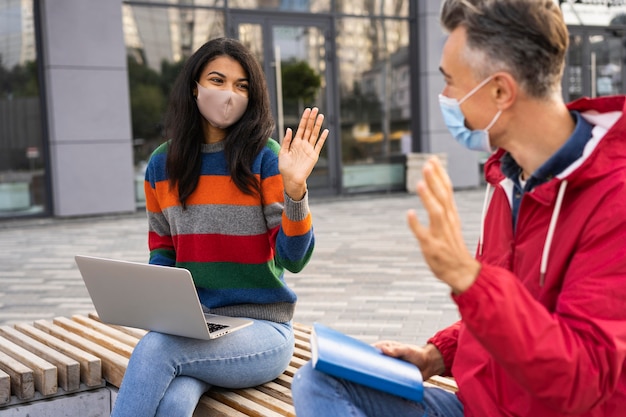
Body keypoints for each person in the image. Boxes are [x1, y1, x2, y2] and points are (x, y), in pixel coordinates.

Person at [291, 0, 626, 416]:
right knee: (320, 380)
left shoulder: (614, 197)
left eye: (451, 81)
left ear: (501, 91)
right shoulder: (508, 178)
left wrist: (469, 278)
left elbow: (583, 381)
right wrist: (436, 353)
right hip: (477, 404)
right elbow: (507, 314)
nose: (446, 97)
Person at [110, 37, 328, 417]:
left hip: (262, 330)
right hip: (196, 329)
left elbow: (293, 260)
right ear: (195, 86)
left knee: (156, 349)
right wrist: (157, 304)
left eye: (241, 85)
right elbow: (163, 252)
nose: (229, 93)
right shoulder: (162, 166)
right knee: (175, 403)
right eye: (217, 80)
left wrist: (295, 191)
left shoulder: (267, 158)